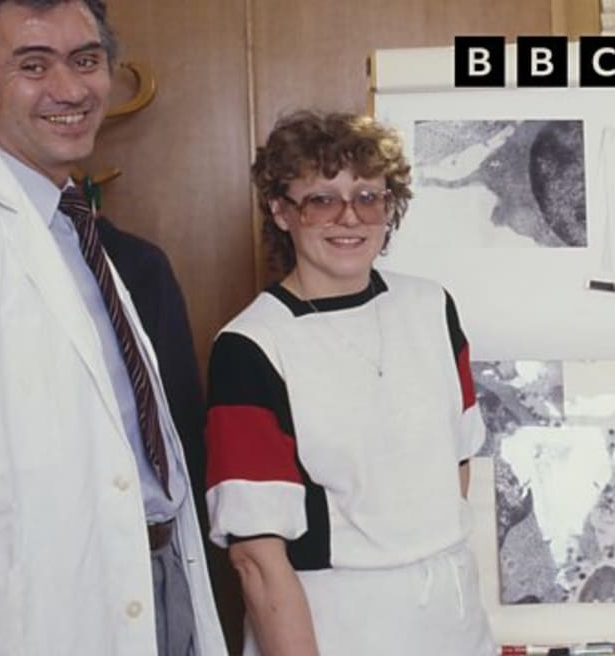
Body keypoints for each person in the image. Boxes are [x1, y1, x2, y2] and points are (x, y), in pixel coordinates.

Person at [0, 1, 225, 654]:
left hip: (160, 582)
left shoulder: (78, 230)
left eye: (86, 60)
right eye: (32, 65)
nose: (71, 90)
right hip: (33, 615)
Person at [204, 110, 496, 656]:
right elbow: (256, 558)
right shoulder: (250, 347)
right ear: (281, 211)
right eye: (322, 199)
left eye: (368, 196)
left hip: (454, 621)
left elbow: (454, 464)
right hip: (339, 627)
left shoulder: (431, 306)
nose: (349, 218)